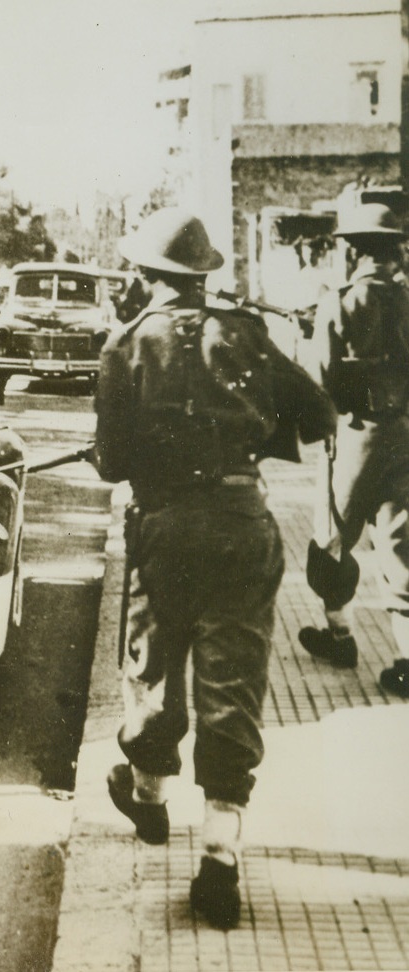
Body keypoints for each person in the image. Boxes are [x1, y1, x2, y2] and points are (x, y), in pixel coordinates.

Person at [95, 208, 334, 930]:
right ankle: (221, 862)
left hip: (167, 528)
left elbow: (111, 462)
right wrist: (249, 434)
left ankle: (149, 795)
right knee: (234, 683)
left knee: (153, 665)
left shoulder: (127, 346)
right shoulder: (248, 335)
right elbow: (319, 415)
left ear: (146, 278)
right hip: (242, 524)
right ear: (203, 279)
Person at [297, 202, 409, 698]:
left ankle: (340, 637)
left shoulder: (340, 300)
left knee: (333, 536)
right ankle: (406, 660)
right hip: (406, 432)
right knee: (402, 541)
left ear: (354, 248)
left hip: (357, 433)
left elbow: (321, 380)